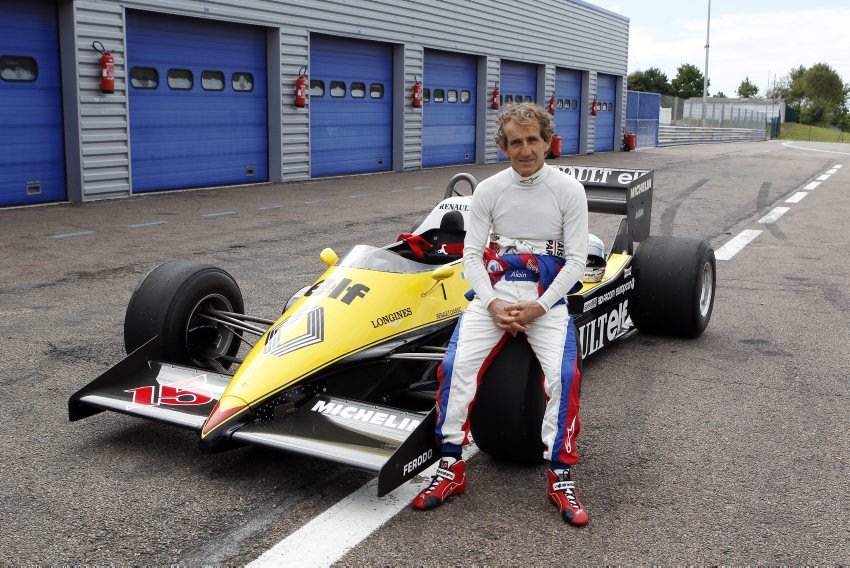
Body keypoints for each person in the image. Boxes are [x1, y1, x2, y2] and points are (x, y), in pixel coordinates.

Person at [411, 102, 590, 526]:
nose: (525, 150)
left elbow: (577, 261)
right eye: (515, 142)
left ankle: (560, 477)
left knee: (565, 377)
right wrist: (491, 302)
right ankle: (450, 467)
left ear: (547, 141)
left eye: (532, 140)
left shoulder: (569, 190)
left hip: (545, 297)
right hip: (494, 292)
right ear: (504, 147)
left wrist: (539, 307)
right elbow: (471, 255)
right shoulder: (489, 190)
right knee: (454, 367)